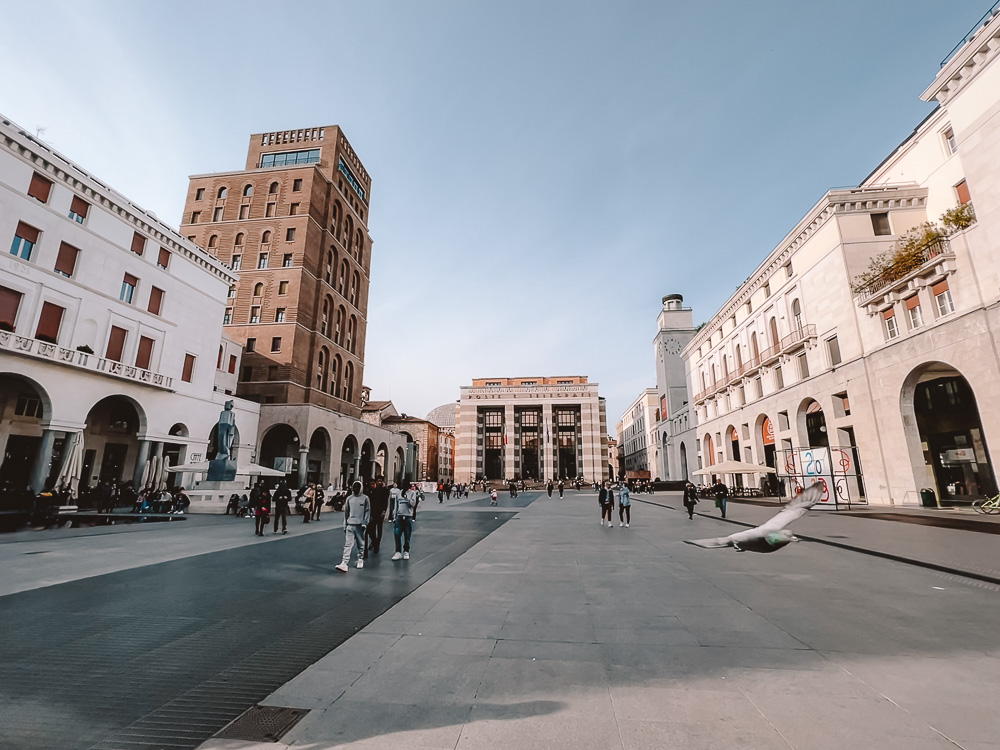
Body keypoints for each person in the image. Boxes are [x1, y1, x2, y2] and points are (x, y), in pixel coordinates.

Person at [336, 481, 371, 573]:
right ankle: (344, 562)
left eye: (357, 487)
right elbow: (346, 513)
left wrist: (365, 523)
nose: (355, 489)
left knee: (361, 544)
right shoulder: (349, 499)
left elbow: (367, 512)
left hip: (360, 525)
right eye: (354, 487)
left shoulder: (365, 498)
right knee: (348, 544)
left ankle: (360, 559)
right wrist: (345, 525)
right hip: (350, 524)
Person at [389, 483, 418, 561]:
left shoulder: (412, 493)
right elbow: (396, 505)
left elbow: (413, 504)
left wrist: (407, 498)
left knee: (407, 535)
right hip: (399, 516)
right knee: (397, 535)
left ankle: (406, 551)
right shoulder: (399, 493)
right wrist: (394, 516)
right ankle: (398, 551)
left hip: (408, 516)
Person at [365, 481, 389, 558]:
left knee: (379, 528)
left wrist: (383, 511)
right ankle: (375, 541)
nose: (372, 485)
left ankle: (377, 542)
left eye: (373, 484)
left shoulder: (380, 492)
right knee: (370, 530)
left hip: (378, 513)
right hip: (371, 514)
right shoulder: (368, 492)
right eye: (370, 484)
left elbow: (384, 501)